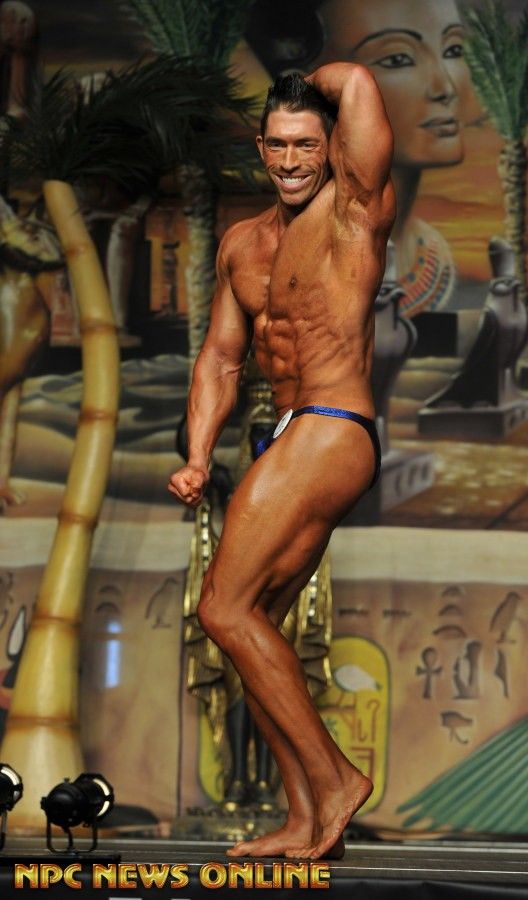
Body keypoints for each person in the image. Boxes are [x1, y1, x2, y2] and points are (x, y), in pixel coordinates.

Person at [168, 65, 394, 859]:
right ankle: (305, 816)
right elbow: (220, 360)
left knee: (221, 610)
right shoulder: (243, 245)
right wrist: (198, 456)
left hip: (333, 424)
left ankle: (337, 780)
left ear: (333, 148)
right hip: (298, 429)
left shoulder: (354, 209)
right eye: (278, 145)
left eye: (307, 144)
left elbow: (358, 82)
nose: (292, 160)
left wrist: (309, 82)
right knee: (251, 626)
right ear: (259, 148)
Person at [246, 0, 475, 315]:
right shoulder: (264, 254)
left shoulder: (431, 252)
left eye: (453, 50)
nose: (445, 87)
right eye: (397, 58)